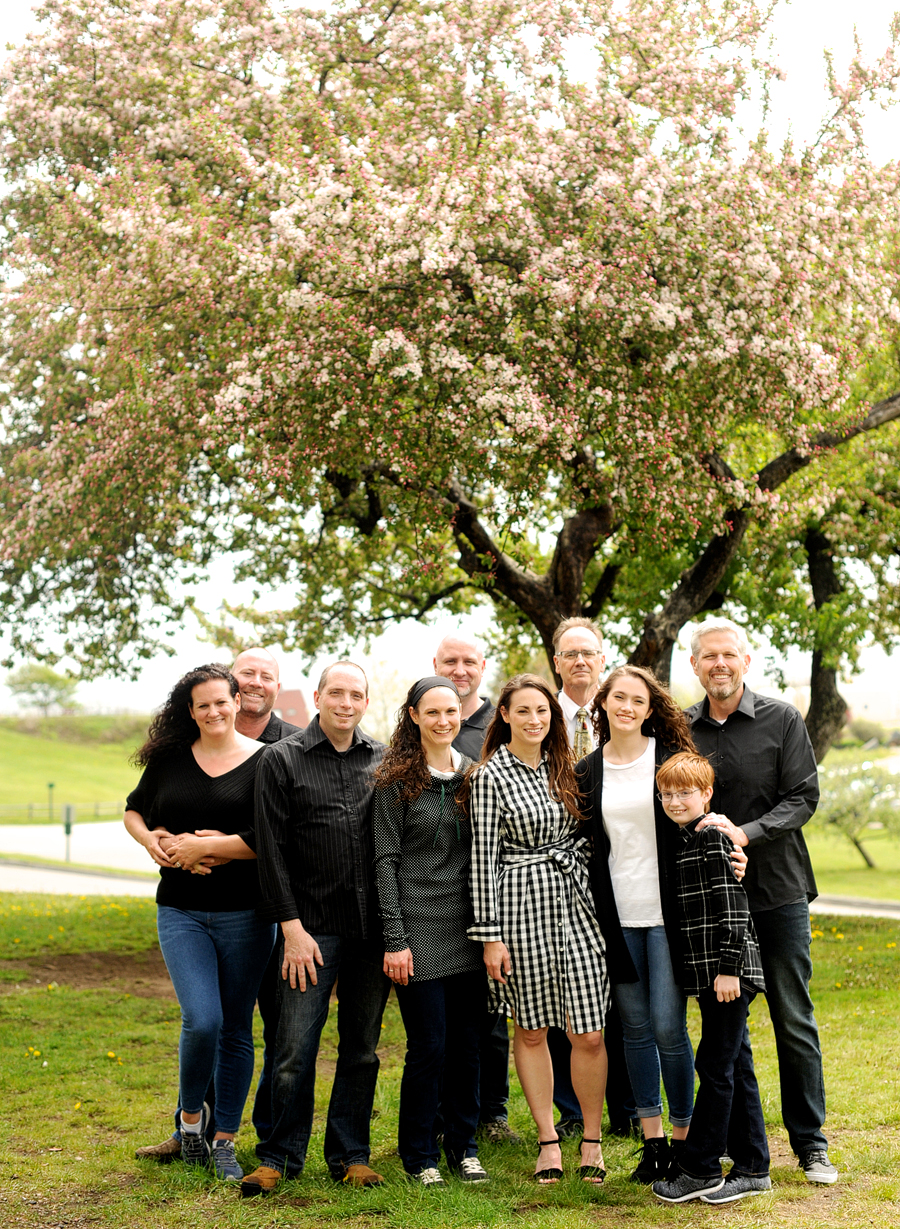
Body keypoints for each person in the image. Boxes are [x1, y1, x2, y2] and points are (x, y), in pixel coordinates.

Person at [134, 646, 300, 1163]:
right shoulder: (169, 760)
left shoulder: (267, 760)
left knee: (235, 1027)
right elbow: (134, 811)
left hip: (247, 912)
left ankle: (224, 1140)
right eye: (202, 705)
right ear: (190, 710)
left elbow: (274, 837)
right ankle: (189, 1125)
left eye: (220, 703)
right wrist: (153, 843)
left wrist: (207, 847)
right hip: (180, 908)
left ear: (236, 702)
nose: (213, 712)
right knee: (201, 1019)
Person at [686, 617, 836, 1184]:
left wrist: (744, 833)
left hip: (778, 892)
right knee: (727, 1028)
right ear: (696, 666)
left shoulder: (782, 719)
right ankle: (740, 1144)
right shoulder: (683, 728)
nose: (719, 664)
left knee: (792, 1016)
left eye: (729, 655)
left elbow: (803, 797)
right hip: (712, 900)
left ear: (746, 661)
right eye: (708, 657)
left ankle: (811, 1143)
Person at [240, 661, 391, 1197]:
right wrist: (291, 928)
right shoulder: (280, 760)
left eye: (356, 694)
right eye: (336, 693)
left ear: (365, 702)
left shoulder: (384, 760)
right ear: (319, 696)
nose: (346, 703)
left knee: (362, 1049)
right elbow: (271, 852)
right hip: (310, 932)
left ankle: (350, 1154)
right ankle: (279, 1156)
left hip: (370, 934)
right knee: (292, 1049)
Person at [467, 674, 609, 1185]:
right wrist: (490, 936)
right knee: (530, 1030)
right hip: (520, 907)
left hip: (576, 906)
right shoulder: (489, 776)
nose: (534, 720)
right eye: (523, 711)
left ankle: (591, 1140)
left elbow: (591, 836)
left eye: (543, 712)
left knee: (588, 1031)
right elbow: (482, 861)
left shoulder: (567, 768)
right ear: (504, 715)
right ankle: (548, 1139)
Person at [578, 665, 698, 1184]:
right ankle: (651, 1143)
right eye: (617, 698)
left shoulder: (670, 761)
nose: (626, 707)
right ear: (603, 704)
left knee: (670, 1027)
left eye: (637, 700)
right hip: (617, 917)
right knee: (635, 1030)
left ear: (650, 710)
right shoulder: (586, 771)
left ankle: (686, 1140)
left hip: (668, 917)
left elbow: (700, 815)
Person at [373, 676, 488, 1186]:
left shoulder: (475, 777)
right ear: (414, 717)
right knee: (430, 1047)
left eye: (451, 711)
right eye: (433, 712)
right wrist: (395, 940)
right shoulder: (394, 782)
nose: (444, 720)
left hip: (469, 927)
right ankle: (419, 1153)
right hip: (417, 932)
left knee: (469, 1044)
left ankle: (463, 1145)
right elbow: (384, 863)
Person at [651, 752, 770, 1204]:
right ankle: (754, 1166)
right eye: (668, 794)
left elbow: (734, 911)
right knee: (736, 1062)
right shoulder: (684, 840)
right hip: (709, 974)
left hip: (727, 973)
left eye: (686, 792)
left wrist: (727, 969)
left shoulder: (713, 839)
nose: (676, 800)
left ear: (707, 794)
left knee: (714, 1067)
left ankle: (700, 1168)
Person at [551, 616, 636, 1142]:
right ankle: (570, 1109)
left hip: (619, 873)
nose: (581, 661)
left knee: (620, 994)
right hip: (557, 877)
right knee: (562, 996)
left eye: (589, 652)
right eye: (570, 653)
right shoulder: (539, 716)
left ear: (602, 659)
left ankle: (626, 1105)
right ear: (556, 661)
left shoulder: (620, 714)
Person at [434, 633, 520, 1147]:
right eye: (450, 661)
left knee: (493, 1013)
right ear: (436, 665)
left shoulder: (501, 725)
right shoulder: (430, 717)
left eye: (469, 661)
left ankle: (493, 1112)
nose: (460, 669)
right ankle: (446, 1112)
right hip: (440, 893)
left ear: (483, 666)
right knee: (446, 1019)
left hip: (496, 887)